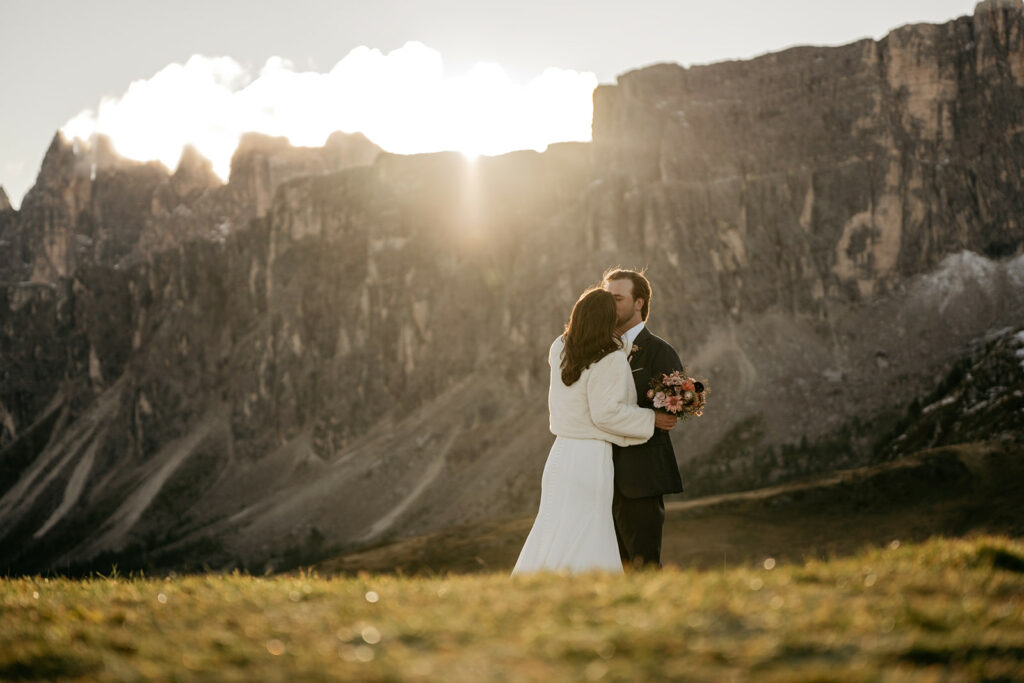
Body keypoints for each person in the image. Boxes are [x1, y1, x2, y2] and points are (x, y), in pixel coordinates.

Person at [512, 288, 678, 575]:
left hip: (561, 453)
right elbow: (607, 415)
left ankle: (542, 582)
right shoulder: (610, 357)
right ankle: (584, 585)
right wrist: (651, 419)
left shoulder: (559, 347)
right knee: (588, 529)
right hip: (590, 455)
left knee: (553, 527)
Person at [602, 268, 685, 569]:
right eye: (606, 298)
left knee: (644, 565)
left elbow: (671, 412)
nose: (610, 305)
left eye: (617, 299)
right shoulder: (600, 351)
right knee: (611, 568)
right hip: (602, 475)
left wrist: (653, 417)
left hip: (641, 477)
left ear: (639, 302)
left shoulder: (659, 352)